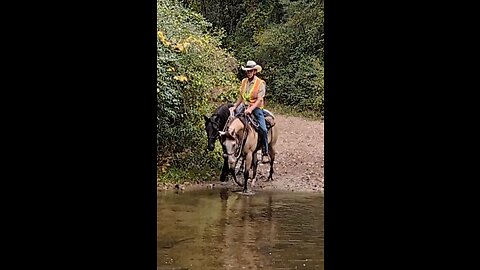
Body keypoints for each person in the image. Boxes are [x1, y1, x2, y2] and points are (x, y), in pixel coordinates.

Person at [230, 60, 270, 163]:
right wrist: (235, 106)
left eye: (250, 71)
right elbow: (241, 96)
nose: (248, 73)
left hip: (256, 108)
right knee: (232, 122)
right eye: (247, 71)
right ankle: (233, 147)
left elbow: (259, 99)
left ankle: (265, 152)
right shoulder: (244, 82)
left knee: (263, 128)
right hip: (244, 106)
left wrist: (250, 109)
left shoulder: (260, 83)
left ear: (254, 71)